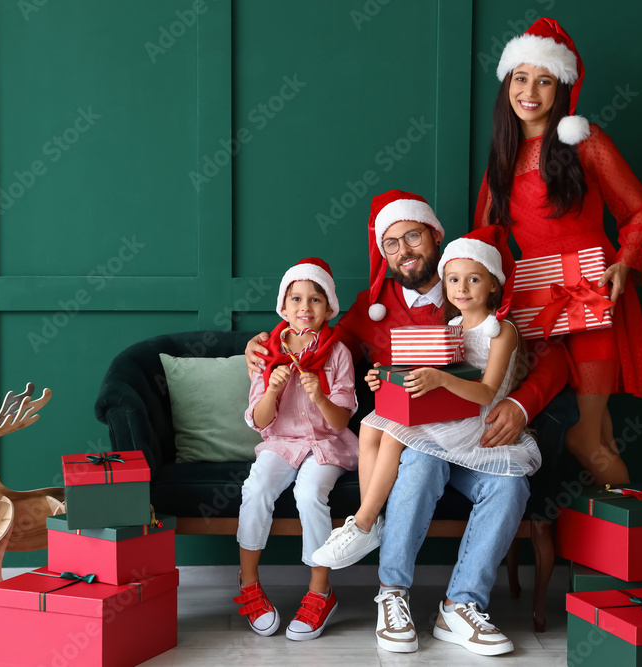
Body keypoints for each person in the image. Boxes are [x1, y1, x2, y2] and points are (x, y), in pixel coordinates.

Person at [245, 190, 571, 655]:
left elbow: (554, 357)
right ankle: (392, 594)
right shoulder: (367, 311)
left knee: (511, 488)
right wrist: (260, 349)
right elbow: (313, 338)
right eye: (392, 244)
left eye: (413, 236)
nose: (405, 251)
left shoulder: (471, 283)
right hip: (420, 440)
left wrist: (520, 405)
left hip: (483, 438)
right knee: (415, 461)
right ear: (383, 253)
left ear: (434, 236)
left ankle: (460, 605)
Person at [475, 17, 642, 486]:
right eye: (521, 78)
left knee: (587, 437)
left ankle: (635, 548)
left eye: (545, 80)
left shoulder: (587, 141)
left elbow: (640, 210)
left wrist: (624, 261)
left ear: (562, 89)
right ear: (507, 85)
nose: (531, 90)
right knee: (596, 435)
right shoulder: (503, 155)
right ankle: (618, 548)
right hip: (537, 307)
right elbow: (485, 240)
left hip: (594, 296)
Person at [311, 226, 542, 576]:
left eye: (473, 280)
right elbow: (422, 369)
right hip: (451, 410)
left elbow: (485, 392)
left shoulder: (501, 330)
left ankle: (364, 522)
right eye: (452, 280)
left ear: (493, 283)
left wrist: (440, 379)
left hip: (478, 418)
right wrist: (384, 377)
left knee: (394, 435)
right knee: (372, 427)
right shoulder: (452, 324)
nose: (461, 289)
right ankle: (366, 523)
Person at [234, 258, 359, 641]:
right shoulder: (267, 353)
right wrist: (272, 388)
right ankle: (249, 583)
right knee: (255, 489)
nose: (305, 308)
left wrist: (319, 396)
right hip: (281, 443)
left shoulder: (337, 353)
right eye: (297, 299)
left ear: (329, 308)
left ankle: (320, 590)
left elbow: (340, 421)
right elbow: (258, 419)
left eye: (316, 300)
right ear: (284, 308)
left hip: (326, 444)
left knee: (309, 493)